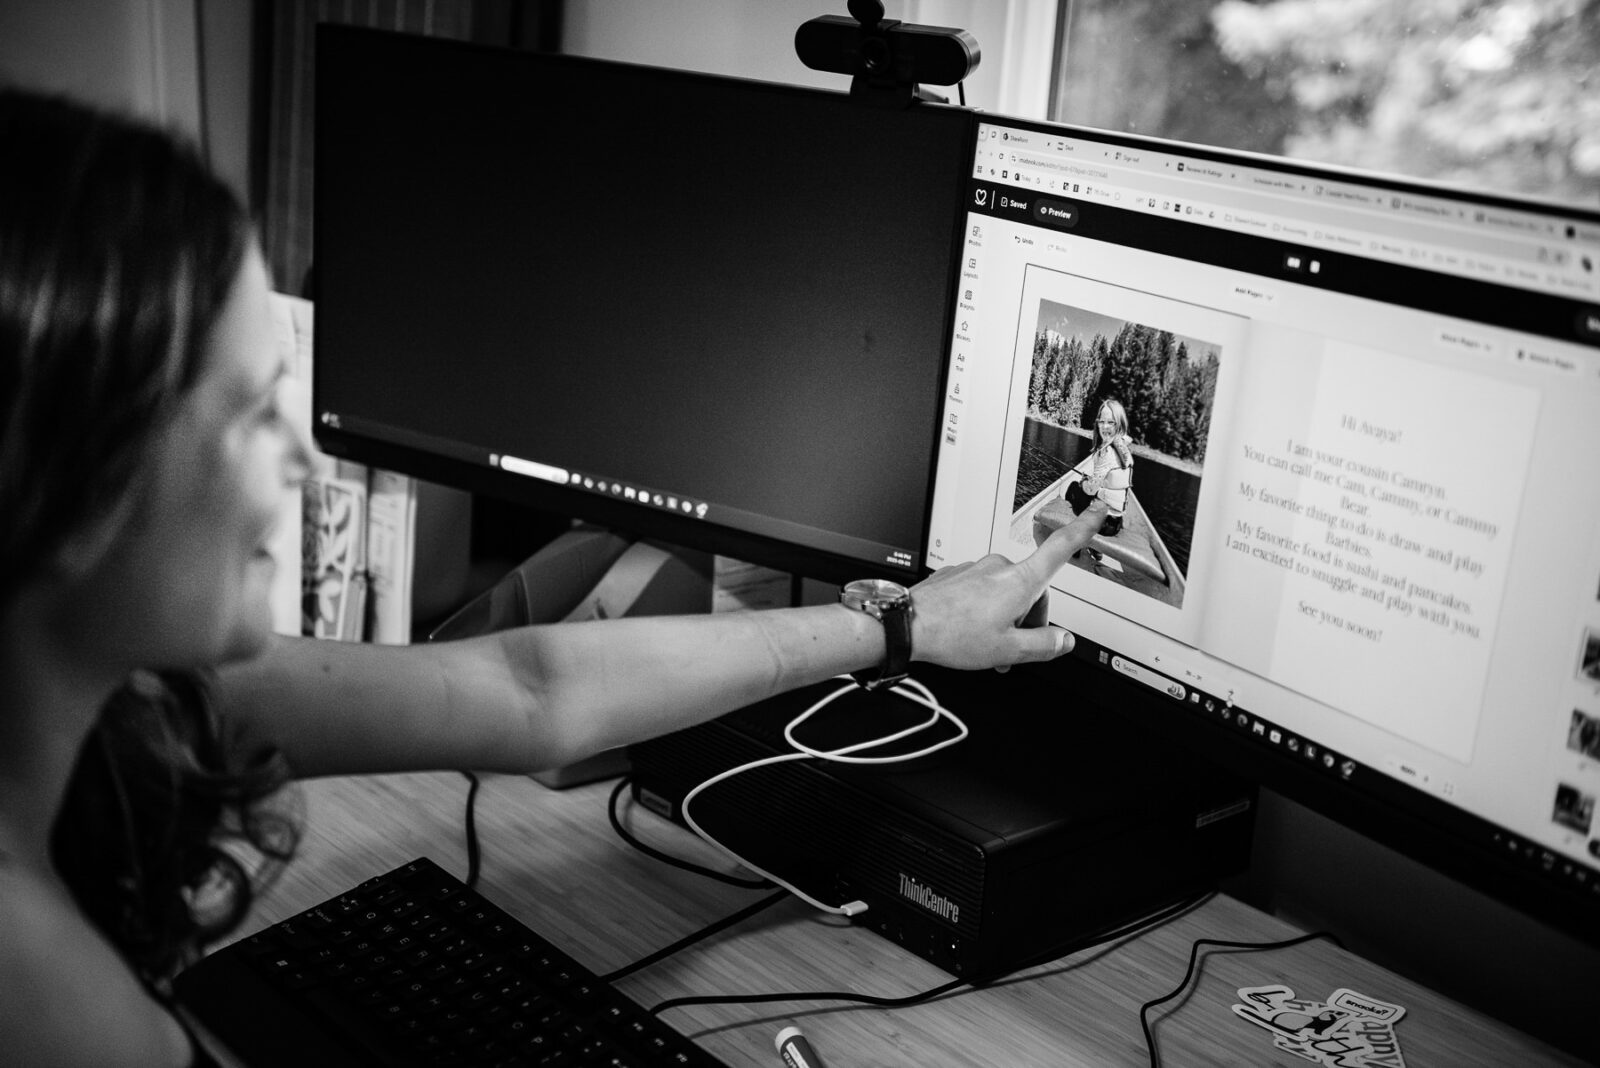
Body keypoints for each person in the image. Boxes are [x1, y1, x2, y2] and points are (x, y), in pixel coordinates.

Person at [0, 87, 1090, 1066]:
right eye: (246, 414)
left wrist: (897, 630)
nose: (295, 460)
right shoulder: (33, 990)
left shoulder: (134, 696)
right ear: (68, 485)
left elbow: (531, 690)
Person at [1061, 398, 1134, 539]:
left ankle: (1076, 542)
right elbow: (1106, 482)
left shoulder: (1106, 452)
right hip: (1116, 523)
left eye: (1110, 422)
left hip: (1102, 524)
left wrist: (1084, 482)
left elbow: (1091, 490)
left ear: (1118, 424)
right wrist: (1092, 481)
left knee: (1072, 487)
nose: (1105, 426)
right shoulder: (1122, 447)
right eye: (1102, 421)